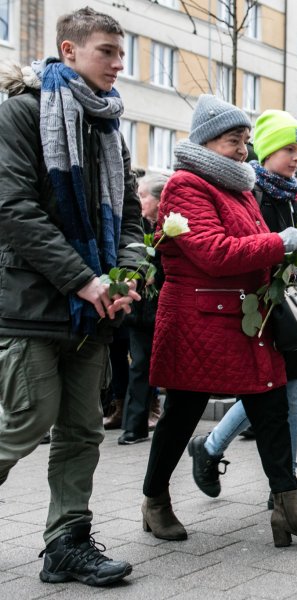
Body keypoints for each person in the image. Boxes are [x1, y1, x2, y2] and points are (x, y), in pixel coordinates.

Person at [141, 94, 297, 545]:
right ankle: (155, 501)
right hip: (199, 319)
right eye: (235, 141)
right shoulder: (186, 185)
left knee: (270, 406)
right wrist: (279, 243)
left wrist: (295, 263)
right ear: (208, 142)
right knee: (182, 414)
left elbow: (251, 245)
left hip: (245, 317)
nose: (243, 151)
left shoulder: (239, 187)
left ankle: (286, 508)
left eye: (246, 141)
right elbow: (213, 252)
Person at [0, 7, 141, 586]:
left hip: (94, 311)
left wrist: (127, 275)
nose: (118, 61)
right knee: (29, 419)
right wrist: (84, 277)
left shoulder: (108, 129)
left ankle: (67, 544)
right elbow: (14, 210)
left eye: (119, 51)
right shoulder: (21, 114)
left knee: (83, 430)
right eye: (106, 49)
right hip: (32, 303)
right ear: (69, 50)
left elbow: (130, 217)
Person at [187, 110, 297, 516]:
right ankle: (281, 485)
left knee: (287, 392)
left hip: (291, 310)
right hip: (262, 308)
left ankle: (221, 452)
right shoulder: (252, 193)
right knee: (275, 394)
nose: (296, 158)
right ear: (265, 150)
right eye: (288, 148)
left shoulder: (296, 196)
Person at [118, 173, 169, 445]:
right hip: (140, 313)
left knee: (166, 368)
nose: (138, 202)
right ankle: (133, 427)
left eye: (143, 196)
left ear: (160, 200)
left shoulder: (173, 229)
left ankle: (167, 423)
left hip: (166, 309)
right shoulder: (135, 227)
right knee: (139, 366)